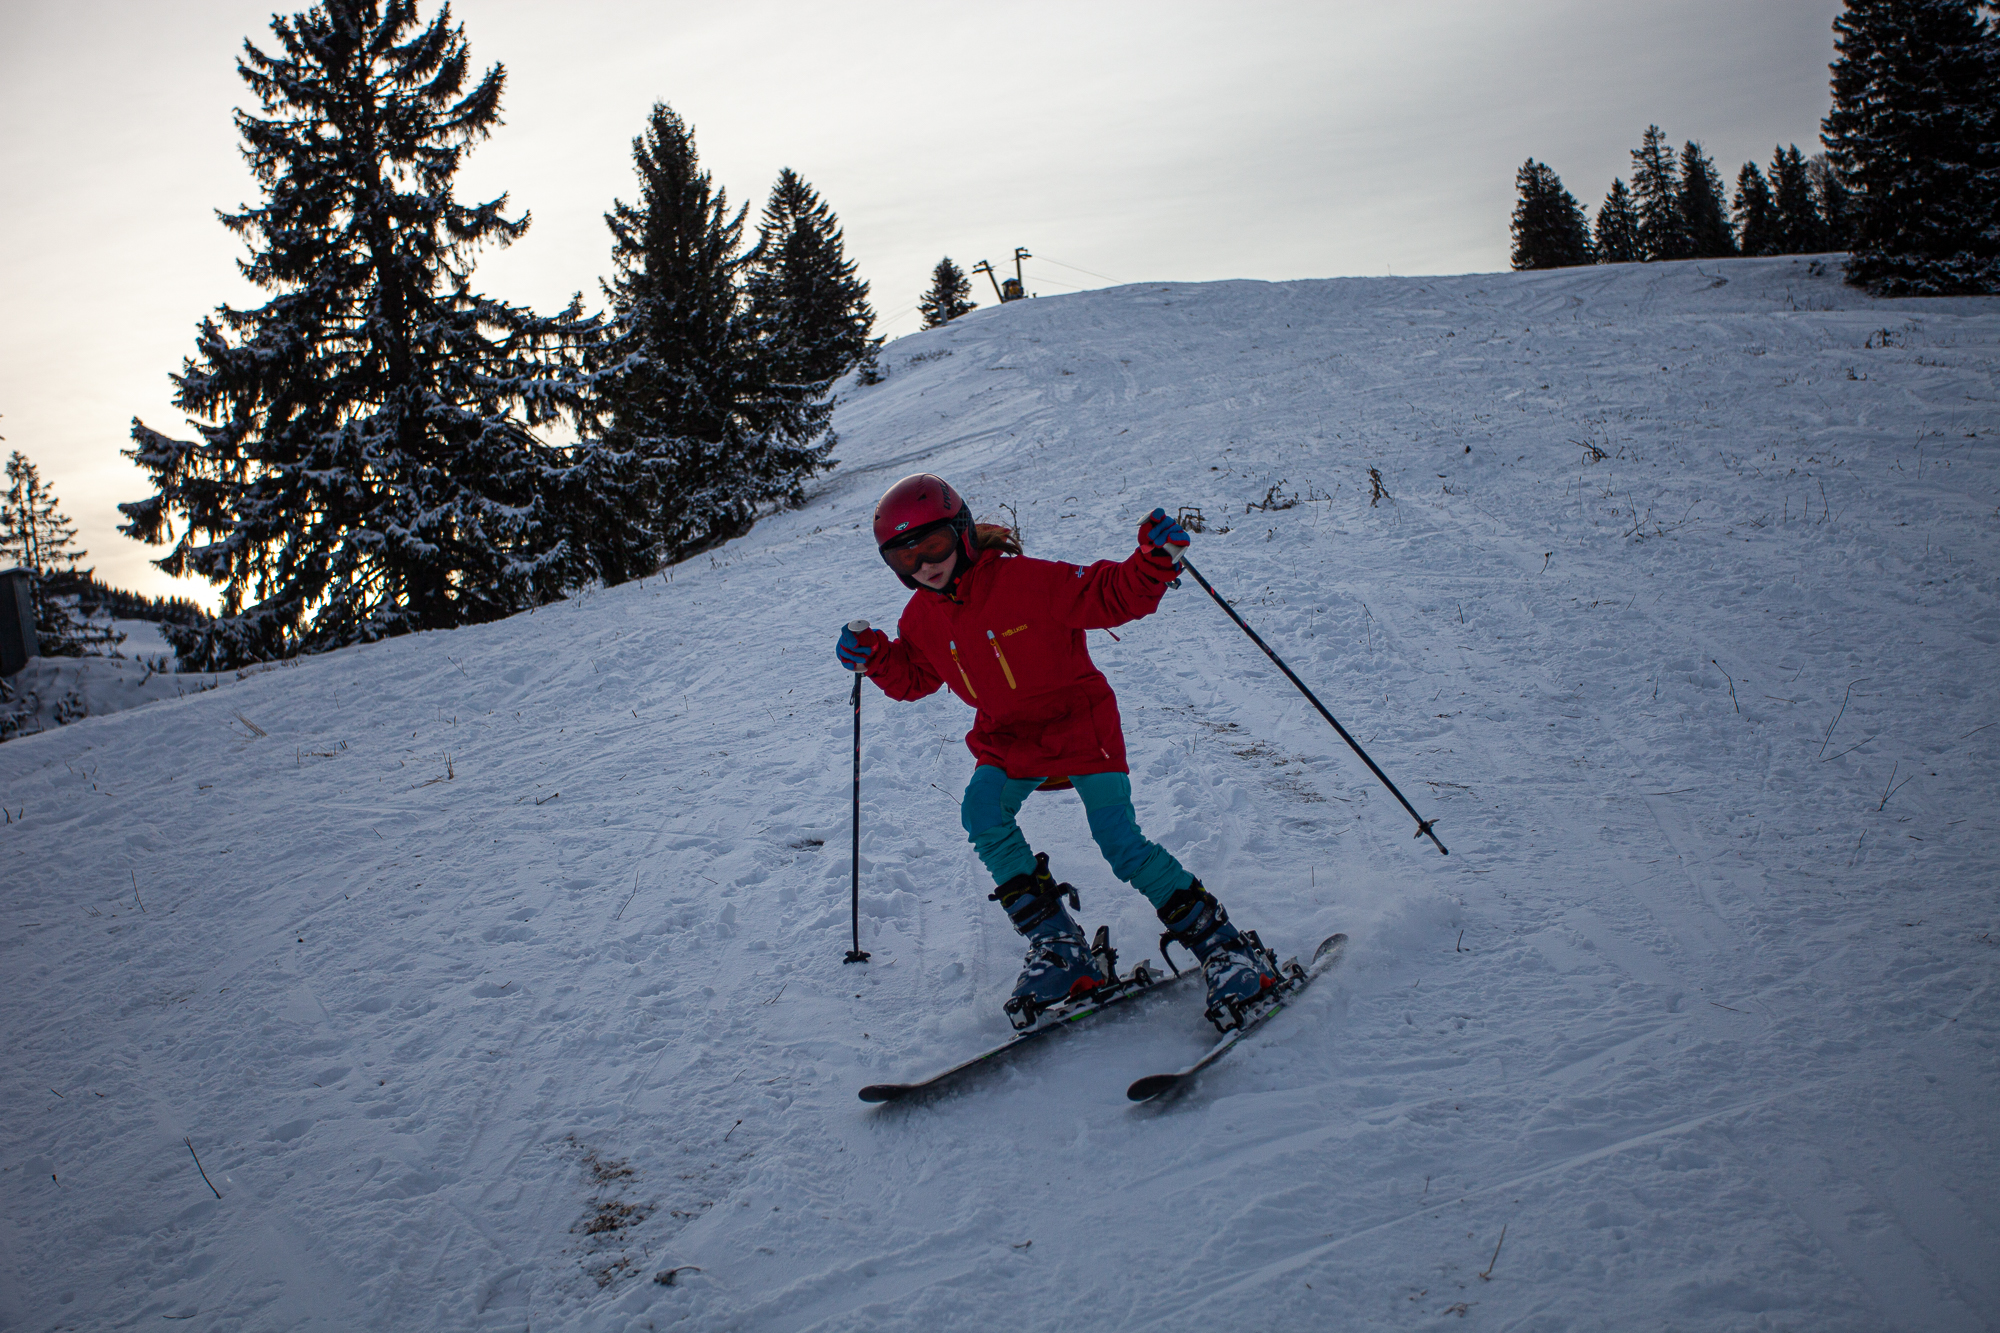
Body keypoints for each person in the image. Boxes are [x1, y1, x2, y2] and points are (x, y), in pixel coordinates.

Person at [835, 473, 1277, 1030]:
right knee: (982, 814)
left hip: (1079, 724)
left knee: (1120, 844)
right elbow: (915, 677)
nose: (924, 564)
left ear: (964, 532)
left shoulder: (1026, 581)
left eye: (934, 544)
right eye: (904, 556)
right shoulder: (921, 617)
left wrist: (1153, 562)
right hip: (1008, 737)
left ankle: (1227, 948)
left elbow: (1108, 593)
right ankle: (1061, 950)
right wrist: (876, 658)